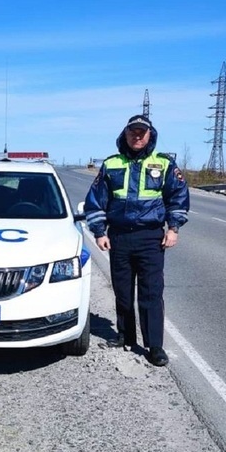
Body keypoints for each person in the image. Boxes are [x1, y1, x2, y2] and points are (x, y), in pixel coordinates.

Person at [84, 114, 189, 366]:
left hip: (150, 238)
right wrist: (99, 232)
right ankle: (125, 335)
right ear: (126, 134)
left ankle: (154, 346)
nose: (138, 136)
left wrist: (173, 228)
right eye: (133, 132)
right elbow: (96, 201)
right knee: (122, 290)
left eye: (142, 132)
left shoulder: (164, 163)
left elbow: (178, 196)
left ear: (150, 135)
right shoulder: (111, 164)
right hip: (119, 237)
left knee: (151, 293)